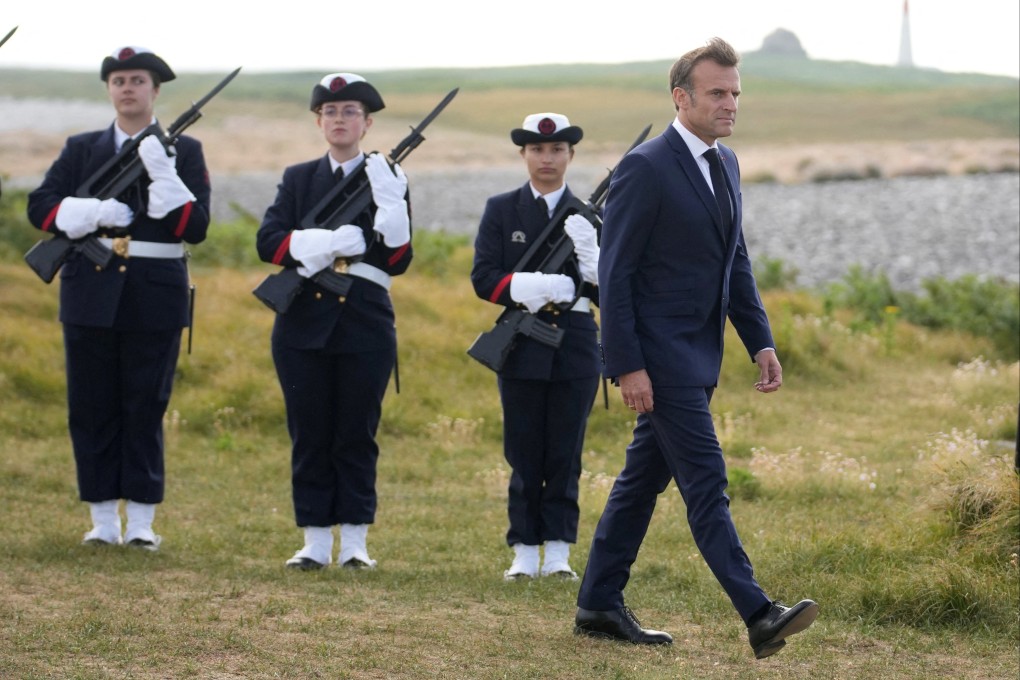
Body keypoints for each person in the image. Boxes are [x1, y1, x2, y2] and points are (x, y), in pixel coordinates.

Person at [572, 38, 818, 658]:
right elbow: (617, 273)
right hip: (659, 362)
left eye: (735, 93)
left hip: (699, 356)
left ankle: (599, 603)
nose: (730, 103)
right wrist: (626, 364)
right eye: (717, 92)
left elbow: (734, 260)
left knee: (638, 484)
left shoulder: (726, 164)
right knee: (707, 481)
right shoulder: (646, 166)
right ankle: (759, 614)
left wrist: (758, 339)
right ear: (681, 97)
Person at [26, 46, 210, 551]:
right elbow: (40, 207)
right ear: (110, 90)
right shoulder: (82, 147)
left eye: (137, 80)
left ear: (155, 91)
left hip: (154, 291)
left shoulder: (184, 151)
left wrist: (165, 176)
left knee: (145, 405)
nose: (127, 88)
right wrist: (88, 213)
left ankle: (143, 521)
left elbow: (196, 227)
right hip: (90, 288)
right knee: (91, 405)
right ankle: (103, 518)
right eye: (119, 80)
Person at [256, 73, 412, 570]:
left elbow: (400, 258)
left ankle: (356, 540)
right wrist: (321, 243)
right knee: (310, 431)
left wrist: (391, 205)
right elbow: (269, 241)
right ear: (319, 122)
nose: (339, 120)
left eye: (350, 113)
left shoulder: (388, 177)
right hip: (302, 321)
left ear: (367, 124)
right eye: (330, 112)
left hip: (363, 322)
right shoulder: (299, 178)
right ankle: (315, 540)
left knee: (356, 432)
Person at [471, 113, 601, 580]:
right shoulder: (502, 209)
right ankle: (525, 549)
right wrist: (530, 284)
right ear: (524, 155)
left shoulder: (590, 217)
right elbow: (483, 278)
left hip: (576, 343)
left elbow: (610, 293)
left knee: (566, 450)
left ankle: (560, 550)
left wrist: (592, 260)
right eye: (538, 150)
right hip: (521, 341)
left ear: (570, 156)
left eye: (557, 150)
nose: (547, 158)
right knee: (524, 448)